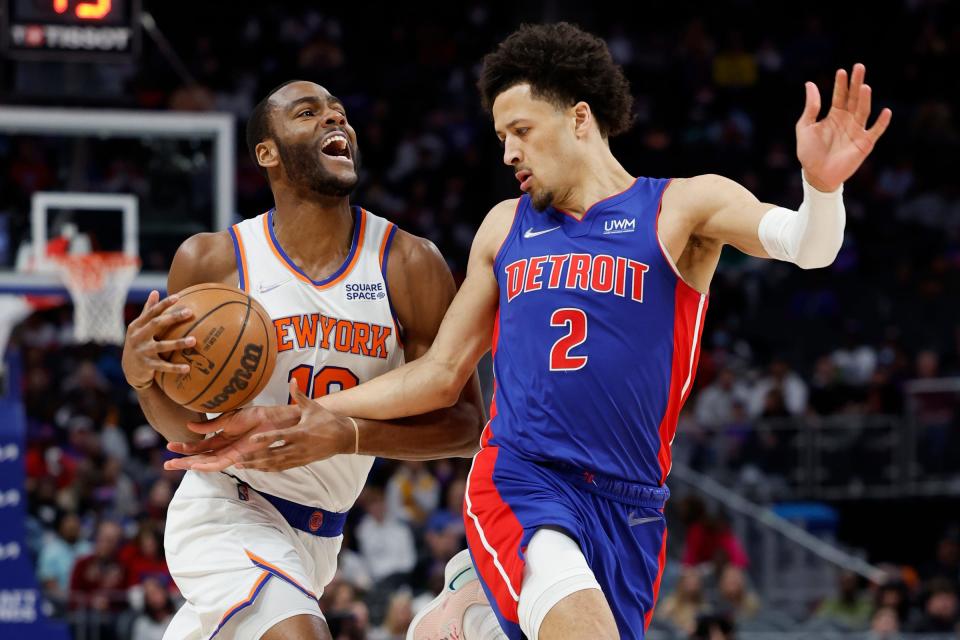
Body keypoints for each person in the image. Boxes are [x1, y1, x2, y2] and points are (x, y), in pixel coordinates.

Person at [169, 22, 891, 640]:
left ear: (580, 118)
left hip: (632, 503)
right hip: (522, 482)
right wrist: (312, 414)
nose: (508, 151)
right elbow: (440, 374)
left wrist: (821, 189)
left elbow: (808, 244)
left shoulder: (683, 208)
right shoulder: (505, 227)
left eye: (521, 131)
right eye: (499, 136)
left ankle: (465, 613)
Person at [122, 79, 484, 640]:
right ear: (267, 152)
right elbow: (189, 431)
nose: (334, 122)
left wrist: (346, 434)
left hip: (320, 538)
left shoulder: (408, 263)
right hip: (226, 508)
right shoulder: (212, 261)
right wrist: (143, 379)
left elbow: (465, 428)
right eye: (308, 113)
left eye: (340, 114)